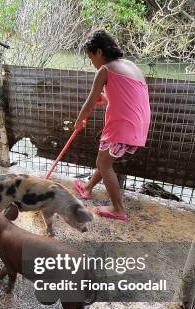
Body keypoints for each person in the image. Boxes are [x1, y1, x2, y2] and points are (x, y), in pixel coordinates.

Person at [72, 29, 150, 221]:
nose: (93, 63)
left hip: (123, 125)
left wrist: (78, 121)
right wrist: (106, 98)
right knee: (106, 161)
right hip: (139, 124)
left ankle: (118, 209)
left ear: (99, 52)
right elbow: (129, 97)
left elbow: (89, 103)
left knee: (103, 162)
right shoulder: (130, 65)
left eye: (91, 58)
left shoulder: (105, 70)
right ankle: (88, 187)